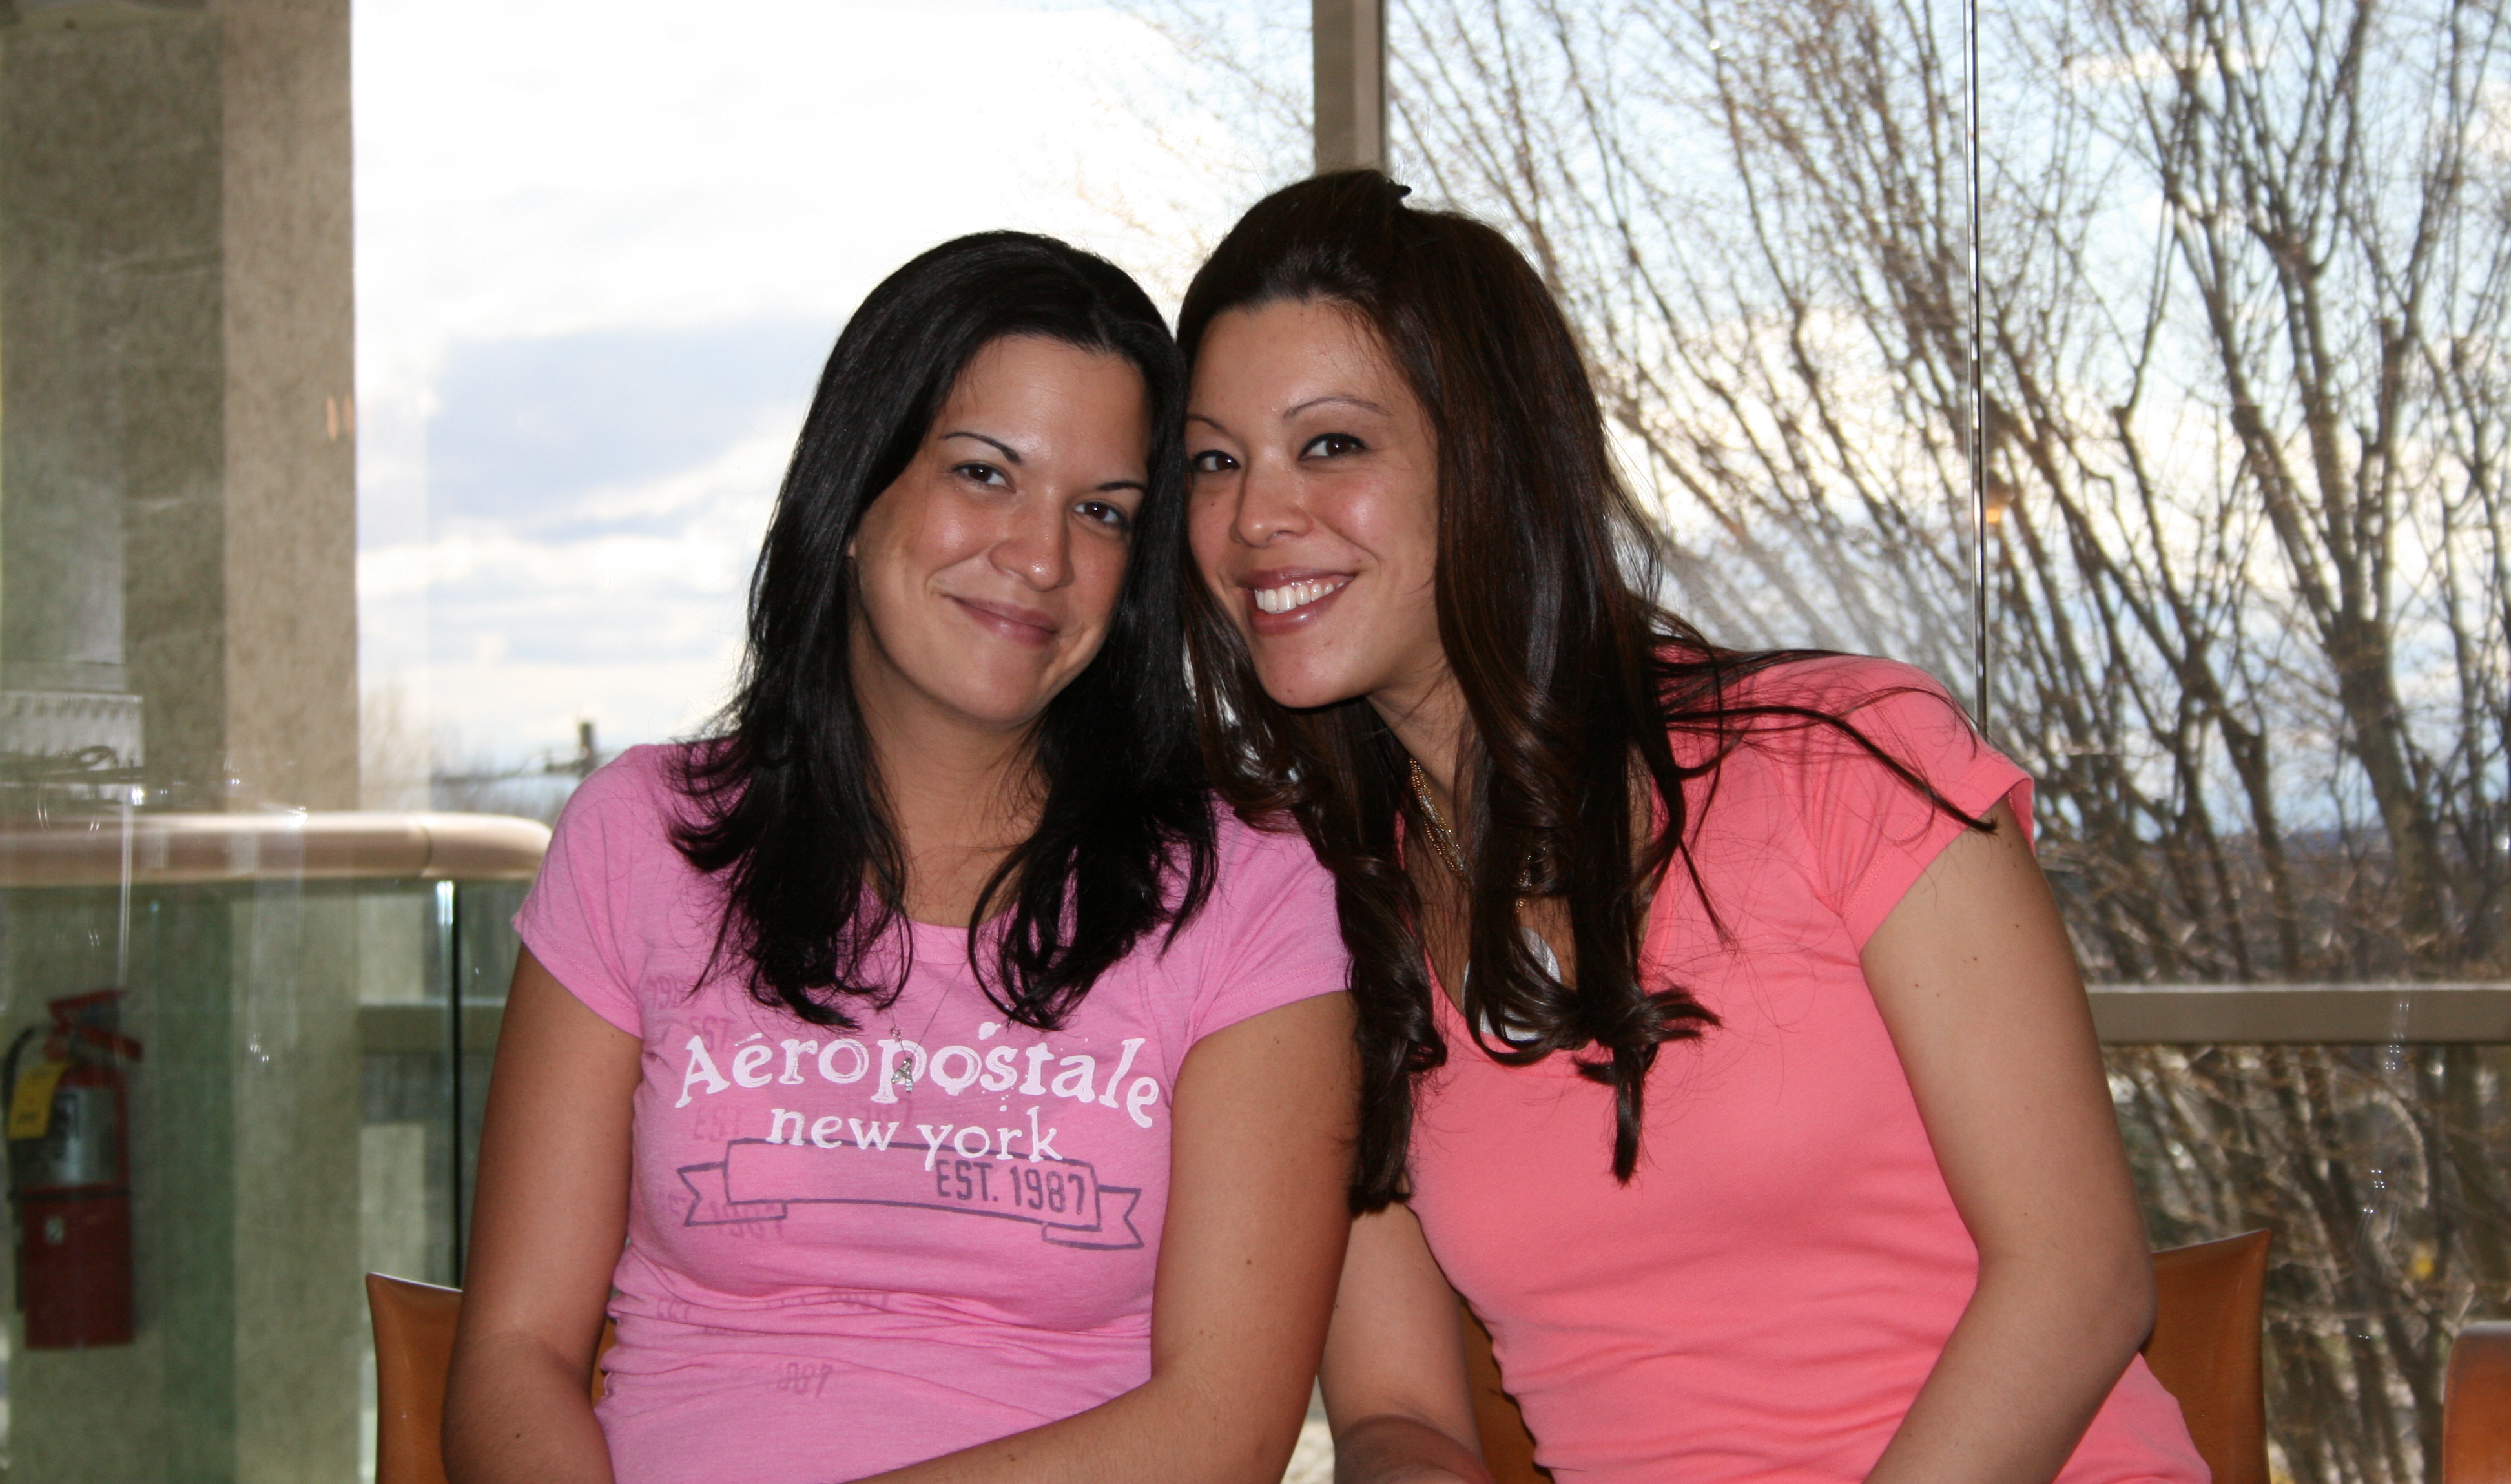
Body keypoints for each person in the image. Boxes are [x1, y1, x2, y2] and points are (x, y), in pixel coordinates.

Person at [1174, 171, 2208, 1484]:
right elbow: (1398, 1415)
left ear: (1489, 457)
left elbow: (2081, 1279)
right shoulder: (1325, 912)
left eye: (1331, 445)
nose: (1256, 517)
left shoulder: (1852, 759)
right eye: (1216, 460)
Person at [444, 232, 1354, 1484]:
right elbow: (511, 1353)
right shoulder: (638, 839)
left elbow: (1222, 1431)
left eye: (1102, 513)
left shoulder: (1241, 891)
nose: (1041, 557)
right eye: (985, 475)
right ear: (856, 491)